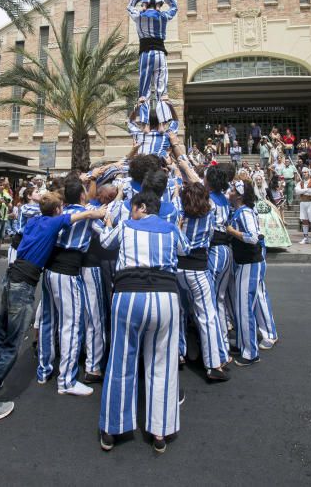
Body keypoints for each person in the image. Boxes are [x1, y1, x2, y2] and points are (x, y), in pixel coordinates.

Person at [0, 192, 106, 426]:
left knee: (0, 337)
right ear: (59, 210)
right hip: (23, 285)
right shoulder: (54, 222)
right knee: (11, 346)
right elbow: (84, 214)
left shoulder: (36, 220)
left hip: (10, 278)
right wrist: (99, 212)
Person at [98, 190, 182, 453]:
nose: (132, 213)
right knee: (162, 363)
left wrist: (108, 224)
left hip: (129, 295)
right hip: (166, 298)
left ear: (141, 207)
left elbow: (105, 243)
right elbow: (186, 248)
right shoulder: (171, 229)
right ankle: (160, 431)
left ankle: (113, 429)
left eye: (133, 208)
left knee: (121, 361)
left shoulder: (126, 226)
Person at [37, 179, 106, 396]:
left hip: (49, 270)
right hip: (68, 271)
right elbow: (104, 235)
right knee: (72, 324)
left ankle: (43, 370)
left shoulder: (60, 212)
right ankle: (66, 380)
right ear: (83, 196)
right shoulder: (88, 212)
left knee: (48, 319)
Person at [177, 182, 230, 381]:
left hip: (178, 268)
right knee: (206, 315)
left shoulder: (179, 215)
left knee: (180, 312)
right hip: (198, 268)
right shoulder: (209, 217)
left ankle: (180, 352)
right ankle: (213, 364)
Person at [226, 180, 267, 366]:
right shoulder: (241, 211)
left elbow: (252, 237)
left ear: (240, 195)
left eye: (234, 190)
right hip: (244, 263)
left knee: (244, 308)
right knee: (241, 307)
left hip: (249, 263)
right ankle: (245, 344)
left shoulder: (245, 213)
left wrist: (231, 231)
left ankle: (250, 353)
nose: (231, 191)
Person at [127, 0, 178, 125]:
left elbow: (130, 7)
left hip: (145, 55)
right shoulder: (163, 16)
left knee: (144, 92)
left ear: (145, 4)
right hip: (160, 55)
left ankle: (145, 125)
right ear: (157, 5)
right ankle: (163, 123)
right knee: (162, 91)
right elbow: (174, 7)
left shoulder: (139, 16)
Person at [205, 165, 232, 359]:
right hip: (226, 250)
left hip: (215, 249)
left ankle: (219, 350)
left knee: (212, 300)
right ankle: (223, 343)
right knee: (219, 299)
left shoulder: (210, 200)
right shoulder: (224, 199)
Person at [253, 174, 291, 248]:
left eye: (259, 179)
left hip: (267, 205)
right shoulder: (253, 189)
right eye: (257, 180)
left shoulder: (266, 189)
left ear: (262, 180)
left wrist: (275, 207)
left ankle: (271, 242)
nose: (258, 181)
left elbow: (271, 198)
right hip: (256, 206)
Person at [295, 167, 311, 245]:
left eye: (305, 172)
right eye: (303, 172)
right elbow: (297, 191)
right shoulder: (300, 183)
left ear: (309, 173)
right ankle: (305, 238)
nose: (304, 173)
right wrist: (306, 190)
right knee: (304, 220)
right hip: (303, 203)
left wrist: (303, 191)